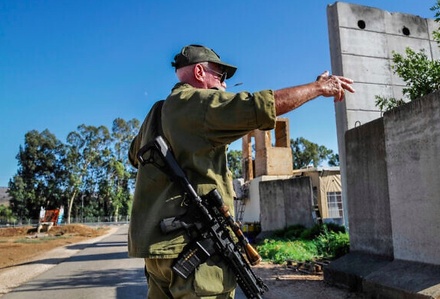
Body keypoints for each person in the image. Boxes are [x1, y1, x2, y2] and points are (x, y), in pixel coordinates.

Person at [128, 44, 355, 299]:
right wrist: (318, 88)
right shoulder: (197, 103)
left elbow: (133, 155)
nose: (224, 85)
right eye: (220, 76)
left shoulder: (156, 112)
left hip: (157, 252)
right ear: (200, 72)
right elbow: (260, 107)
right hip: (192, 249)